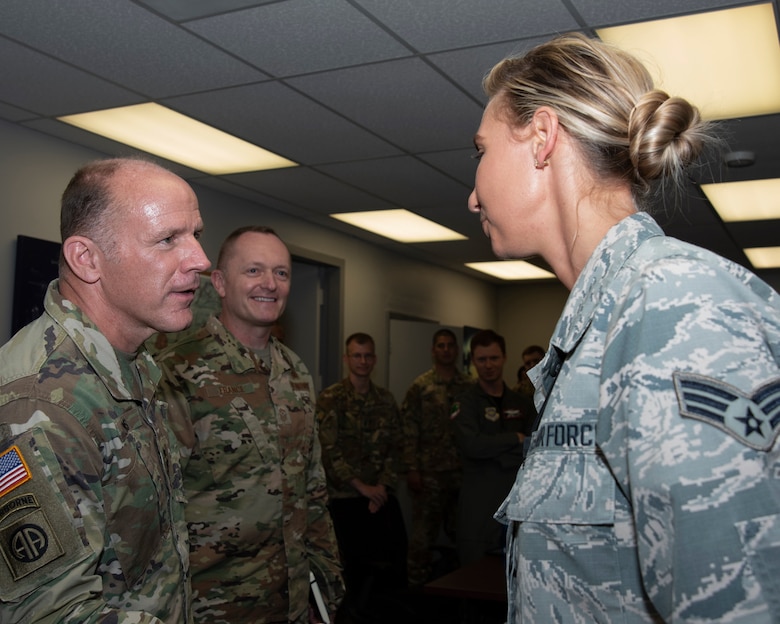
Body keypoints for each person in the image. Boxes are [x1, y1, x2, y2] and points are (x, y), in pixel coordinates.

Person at [468, 32, 780, 622]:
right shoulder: (609, 317)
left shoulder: (671, 304)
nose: (472, 195)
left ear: (542, 138)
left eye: (480, 150)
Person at [0, 157, 210, 623]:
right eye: (168, 239)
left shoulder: (138, 368)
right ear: (87, 259)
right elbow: (51, 614)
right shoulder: (41, 405)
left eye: (196, 235)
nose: (200, 260)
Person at [157, 225, 344, 624]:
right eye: (254, 271)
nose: (270, 284)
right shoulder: (179, 372)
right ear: (221, 283)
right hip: (213, 605)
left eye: (281, 273)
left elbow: (313, 488)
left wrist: (324, 584)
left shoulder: (295, 371)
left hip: (292, 598)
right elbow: (158, 510)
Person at [316, 332, 407, 621]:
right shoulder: (331, 399)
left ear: (375, 359)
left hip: (380, 498)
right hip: (345, 500)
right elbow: (328, 451)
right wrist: (361, 487)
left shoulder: (386, 399)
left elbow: (396, 446)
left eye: (368, 355)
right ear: (346, 359)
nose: (363, 361)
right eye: (357, 355)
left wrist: (381, 486)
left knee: (389, 573)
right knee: (350, 574)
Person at [452, 329, 535, 566]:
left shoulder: (522, 403)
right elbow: (471, 446)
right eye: (482, 359)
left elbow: (532, 448)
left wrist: (495, 448)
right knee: (473, 579)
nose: (488, 365)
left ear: (505, 358)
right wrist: (513, 439)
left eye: (494, 358)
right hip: (478, 506)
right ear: (473, 362)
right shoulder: (464, 402)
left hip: (515, 501)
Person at [399, 328, 474, 586]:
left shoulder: (469, 386)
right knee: (422, 539)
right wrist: (411, 468)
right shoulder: (420, 387)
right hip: (429, 474)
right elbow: (408, 429)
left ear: (456, 350)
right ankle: (416, 591)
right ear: (433, 350)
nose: (445, 350)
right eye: (440, 345)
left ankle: (464, 588)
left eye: (450, 345)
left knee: (465, 536)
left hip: (463, 475)